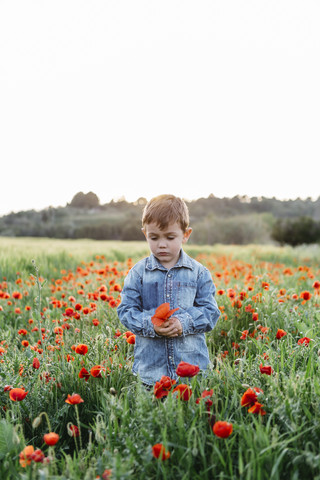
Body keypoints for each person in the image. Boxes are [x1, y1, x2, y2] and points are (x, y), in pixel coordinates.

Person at [117, 194, 220, 386]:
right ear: (144, 234)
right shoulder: (138, 273)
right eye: (154, 237)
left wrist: (184, 323)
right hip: (150, 373)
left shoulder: (199, 273)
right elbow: (125, 311)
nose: (162, 244)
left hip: (191, 372)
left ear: (186, 235)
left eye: (170, 237)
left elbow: (211, 312)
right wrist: (151, 325)